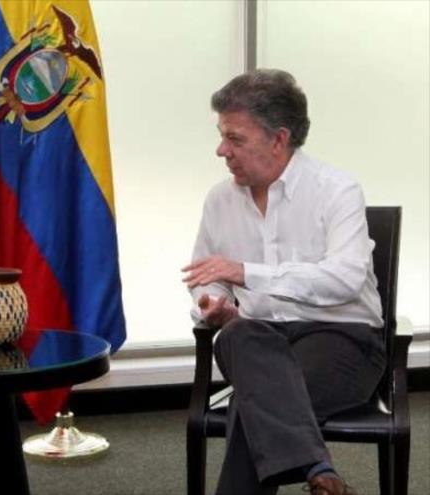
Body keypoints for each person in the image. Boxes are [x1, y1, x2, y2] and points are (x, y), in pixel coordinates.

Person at [182, 69, 385, 495]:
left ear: (279, 139)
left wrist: (245, 272)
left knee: (250, 404)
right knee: (239, 336)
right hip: (255, 339)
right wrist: (212, 305)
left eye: (235, 138)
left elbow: (345, 279)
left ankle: (318, 471)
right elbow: (206, 280)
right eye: (222, 136)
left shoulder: (337, 190)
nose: (222, 150)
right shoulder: (220, 200)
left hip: (339, 338)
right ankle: (317, 468)